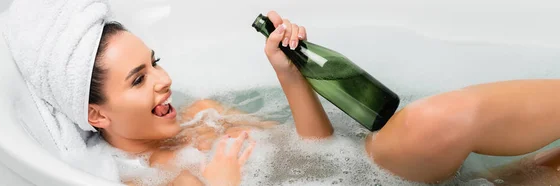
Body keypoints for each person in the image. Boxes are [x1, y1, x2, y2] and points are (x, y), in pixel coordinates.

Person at [86, 10, 560, 185]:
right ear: (97, 114)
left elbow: (316, 149)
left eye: (155, 62)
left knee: (440, 118)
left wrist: (289, 74)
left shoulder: (205, 115)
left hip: (364, 172)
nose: (163, 79)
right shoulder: (147, 181)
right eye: (138, 79)